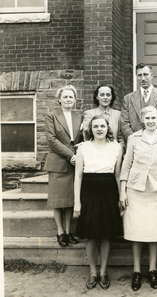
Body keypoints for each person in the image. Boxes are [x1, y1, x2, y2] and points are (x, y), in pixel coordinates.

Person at [119, 106, 157, 291]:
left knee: (154, 231)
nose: (150, 121)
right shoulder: (134, 138)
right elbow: (126, 165)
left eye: (153, 118)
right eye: (147, 118)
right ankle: (136, 271)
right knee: (136, 230)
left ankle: (152, 269)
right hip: (136, 188)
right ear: (142, 120)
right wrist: (122, 191)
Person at [74, 115, 123, 290]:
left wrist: (121, 196)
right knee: (91, 235)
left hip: (109, 192)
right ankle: (93, 271)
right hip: (88, 192)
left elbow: (117, 175)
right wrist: (77, 203)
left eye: (102, 126)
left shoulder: (116, 147)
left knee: (106, 234)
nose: (99, 129)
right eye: (96, 126)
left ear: (108, 128)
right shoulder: (83, 148)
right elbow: (78, 176)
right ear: (91, 129)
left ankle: (103, 271)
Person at [44, 85, 83, 247]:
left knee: (69, 201)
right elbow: (52, 140)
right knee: (57, 201)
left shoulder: (79, 116)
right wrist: (70, 155)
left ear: (75, 100)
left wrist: (79, 154)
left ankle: (68, 232)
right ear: (59, 99)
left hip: (74, 163)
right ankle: (60, 232)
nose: (68, 100)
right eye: (65, 97)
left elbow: (82, 138)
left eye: (71, 97)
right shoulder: (51, 116)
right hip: (59, 163)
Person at [120, 63, 157, 138]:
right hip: (135, 142)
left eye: (146, 74)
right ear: (136, 77)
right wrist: (135, 139)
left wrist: (154, 139)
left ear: (152, 76)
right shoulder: (128, 98)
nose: (143, 78)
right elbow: (124, 123)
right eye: (139, 75)